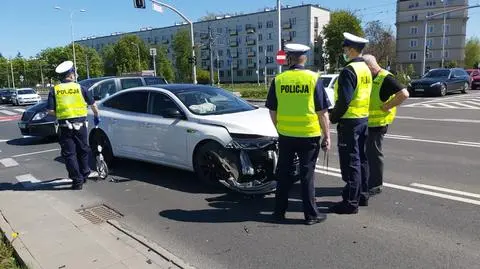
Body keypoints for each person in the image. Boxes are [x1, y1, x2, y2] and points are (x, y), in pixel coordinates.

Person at [265, 43, 331, 225]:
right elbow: (322, 111)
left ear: (289, 59)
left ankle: (278, 213)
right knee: (307, 175)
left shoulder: (279, 79)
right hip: (309, 135)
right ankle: (311, 215)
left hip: (286, 135)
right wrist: (327, 135)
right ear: (305, 58)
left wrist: (280, 127)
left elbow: (272, 110)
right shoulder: (313, 78)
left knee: (283, 174)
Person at [329, 33, 372, 214]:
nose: (344, 52)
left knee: (351, 162)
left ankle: (350, 203)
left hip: (349, 122)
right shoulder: (366, 69)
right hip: (363, 119)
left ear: (352, 50)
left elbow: (344, 100)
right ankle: (362, 195)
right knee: (361, 159)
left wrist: (333, 117)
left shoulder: (349, 70)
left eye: (346, 49)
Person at [47, 61, 100, 190]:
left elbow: (50, 111)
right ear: (71, 74)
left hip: (64, 127)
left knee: (69, 154)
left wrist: (61, 114)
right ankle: (85, 174)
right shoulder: (80, 88)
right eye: (75, 73)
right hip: (81, 125)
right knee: (83, 150)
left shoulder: (55, 90)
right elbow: (93, 105)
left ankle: (77, 181)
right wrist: (96, 116)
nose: (76, 75)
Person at [362, 54, 409, 196]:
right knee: (367, 154)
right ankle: (368, 182)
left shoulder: (386, 78)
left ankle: (375, 185)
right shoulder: (372, 78)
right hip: (367, 123)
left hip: (378, 124)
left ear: (370, 67)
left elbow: (404, 94)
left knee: (374, 154)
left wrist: (387, 106)